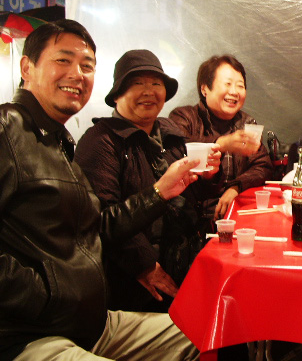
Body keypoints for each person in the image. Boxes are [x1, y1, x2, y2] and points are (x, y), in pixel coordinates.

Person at [0, 20, 199, 360]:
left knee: (206, 332)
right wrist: (50, 295)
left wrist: (159, 193)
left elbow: (98, 228)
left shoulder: (58, 141)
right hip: (33, 334)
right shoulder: (8, 129)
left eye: (87, 65)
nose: (77, 74)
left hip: (92, 323)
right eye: (63, 60)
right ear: (27, 68)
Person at [76, 49, 222, 313]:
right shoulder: (100, 141)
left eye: (156, 83)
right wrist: (142, 263)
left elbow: (188, 197)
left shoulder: (170, 133)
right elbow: (99, 221)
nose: (149, 91)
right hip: (134, 286)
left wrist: (208, 178)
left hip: (184, 262)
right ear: (117, 94)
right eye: (137, 83)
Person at [169, 55, 273, 220]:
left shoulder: (246, 123)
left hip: (235, 216)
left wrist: (236, 187)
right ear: (205, 89)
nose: (234, 92)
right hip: (191, 220)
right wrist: (222, 144)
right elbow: (178, 147)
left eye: (240, 86)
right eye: (227, 84)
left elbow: (263, 165)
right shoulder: (184, 117)